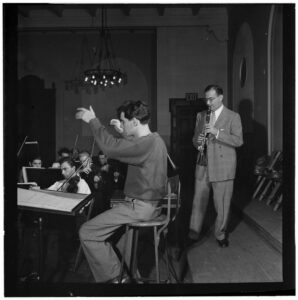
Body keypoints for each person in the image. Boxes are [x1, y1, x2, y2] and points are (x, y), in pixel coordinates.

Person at [75, 100, 168, 283]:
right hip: (148, 206)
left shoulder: (146, 144)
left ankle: (118, 282)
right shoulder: (155, 140)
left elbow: (110, 148)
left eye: (124, 122)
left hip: (140, 208)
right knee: (117, 243)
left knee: (87, 232)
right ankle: (129, 278)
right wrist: (123, 131)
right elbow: (134, 147)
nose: (122, 124)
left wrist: (93, 120)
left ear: (134, 122)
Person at [188, 84, 243, 248]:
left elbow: (238, 141)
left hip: (223, 166)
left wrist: (216, 132)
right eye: (206, 99)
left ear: (221, 97)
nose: (208, 103)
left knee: (222, 204)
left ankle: (220, 234)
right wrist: (197, 144)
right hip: (203, 164)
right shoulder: (201, 115)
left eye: (211, 99)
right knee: (198, 201)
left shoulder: (233, 117)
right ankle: (194, 232)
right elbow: (194, 138)